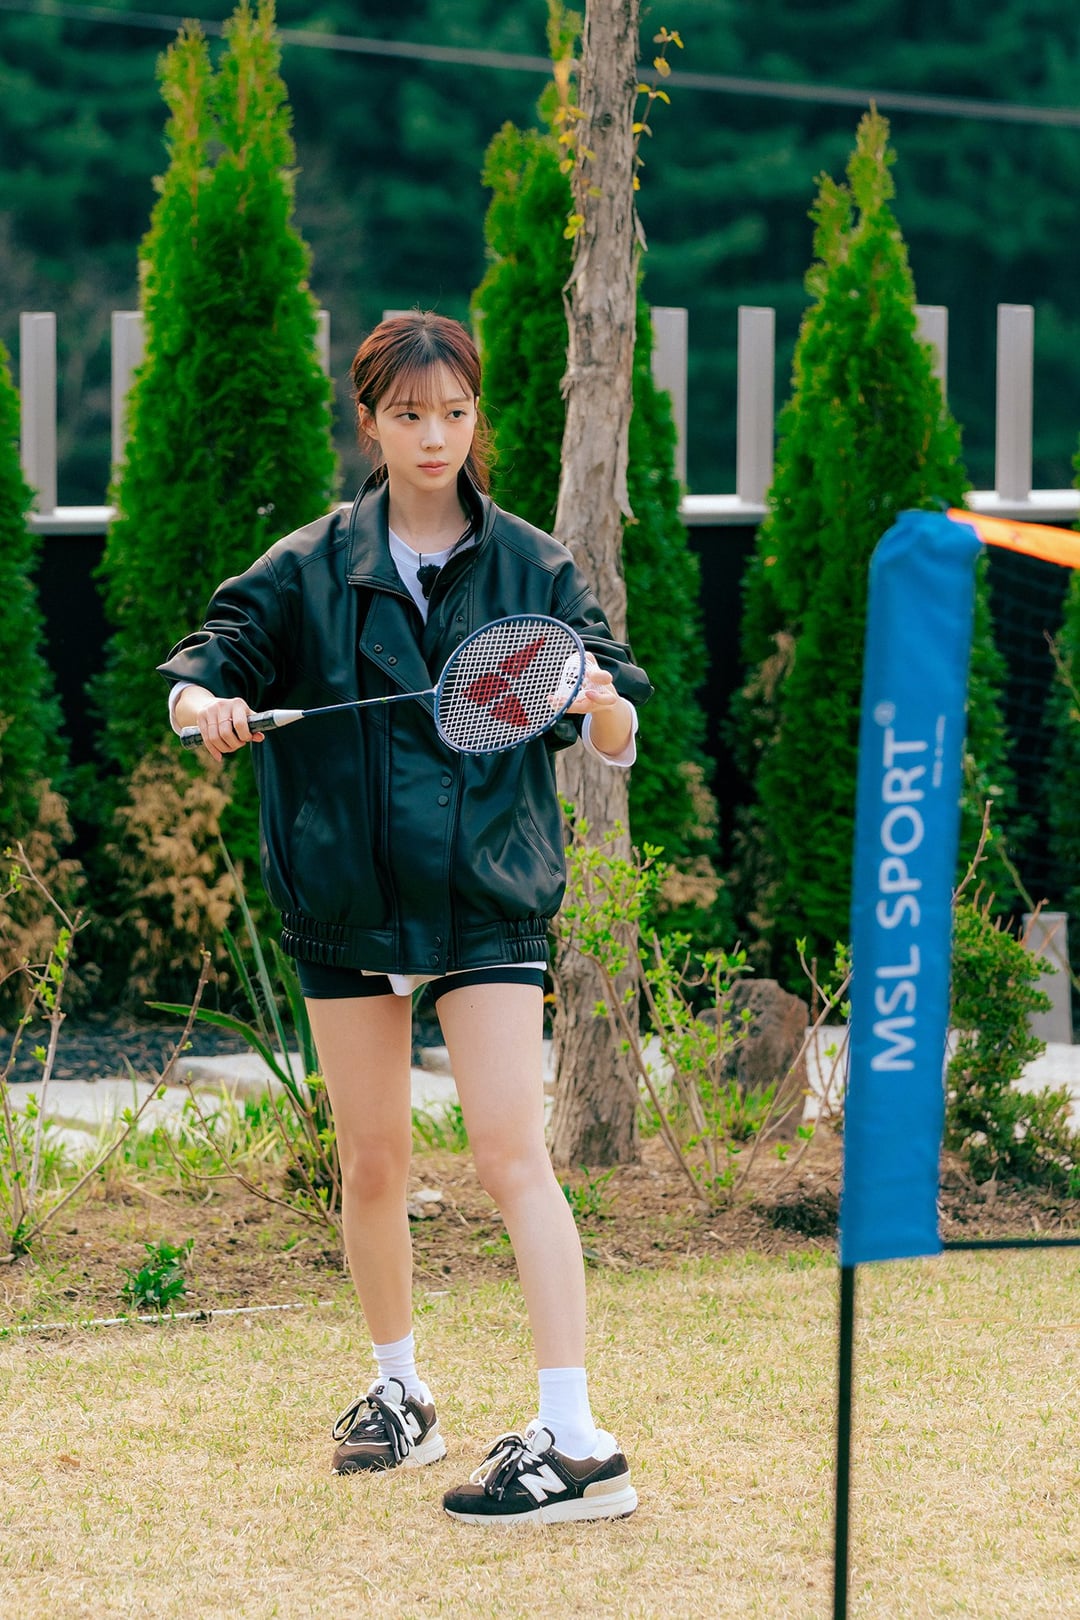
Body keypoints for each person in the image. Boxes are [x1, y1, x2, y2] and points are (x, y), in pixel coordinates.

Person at [158, 311, 652, 1525]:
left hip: (485, 896)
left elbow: (615, 721)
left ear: (477, 419)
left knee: (511, 1154)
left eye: (457, 412)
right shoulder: (306, 566)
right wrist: (205, 711)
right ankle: (401, 1394)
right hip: (347, 897)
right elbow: (206, 664)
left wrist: (598, 701)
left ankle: (575, 1439)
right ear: (370, 422)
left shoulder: (534, 567)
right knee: (372, 1161)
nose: (437, 436)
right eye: (411, 414)